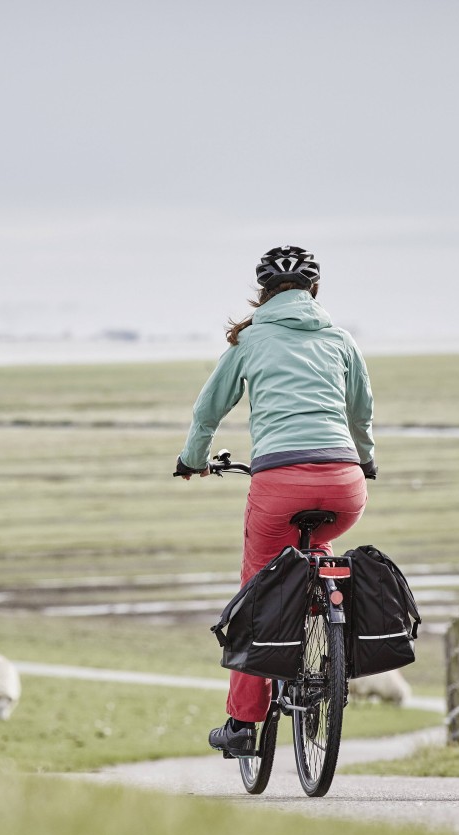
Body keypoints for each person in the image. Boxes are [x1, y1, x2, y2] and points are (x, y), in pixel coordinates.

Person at [174, 245, 377, 757]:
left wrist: (192, 459)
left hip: (279, 484)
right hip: (345, 484)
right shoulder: (340, 339)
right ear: (314, 292)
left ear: (262, 293)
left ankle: (243, 723)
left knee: (257, 591)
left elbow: (207, 411)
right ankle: (329, 647)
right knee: (321, 548)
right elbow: (361, 415)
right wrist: (365, 459)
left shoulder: (250, 339)